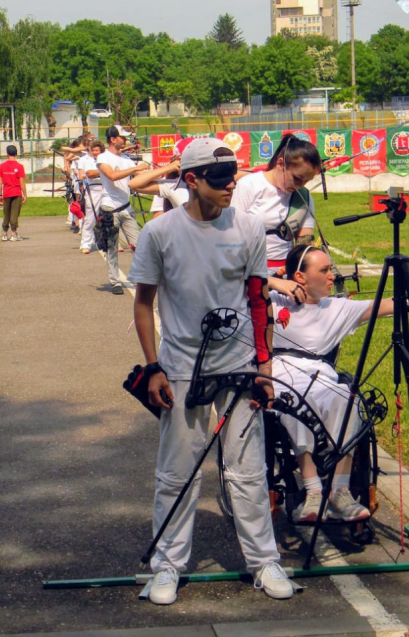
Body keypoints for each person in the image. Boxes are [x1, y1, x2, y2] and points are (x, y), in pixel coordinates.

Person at [129, 138, 295, 606]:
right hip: (181, 368)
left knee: (248, 472)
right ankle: (167, 565)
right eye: (218, 181)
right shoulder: (160, 233)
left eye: (232, 177)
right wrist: (154, 367)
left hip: (239, 368)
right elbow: (143, 304)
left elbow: (259, 300)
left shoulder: (248, 227)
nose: (230, 188)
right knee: (177, 473)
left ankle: (265, 561)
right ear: (191, 180)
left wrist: (263, 367)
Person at [271, 245, 409, 523]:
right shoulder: (273, 300)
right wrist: (273, 280)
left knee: (349, 397)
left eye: (331, 270)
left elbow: (395, 305)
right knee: (294, 401)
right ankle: (313, 490)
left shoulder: (337, 307)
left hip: (321, 375)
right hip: (281, 374)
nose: (332, 276)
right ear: (300, 277)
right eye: (325, 270)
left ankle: (339, 491)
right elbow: (235, 280)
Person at [230, 134, 321, 303]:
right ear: (280, 164)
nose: (299, 186)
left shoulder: (303, 197)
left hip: (286, 277)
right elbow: (233, 239)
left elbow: (304, 243)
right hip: (248, 274)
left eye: (306, 181)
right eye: (297, 178)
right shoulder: (249, 185)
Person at [96, 125, 149, 295]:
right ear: (113, 139)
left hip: (126, 208)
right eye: (122, 137)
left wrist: (158, 173)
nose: (125, 140)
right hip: (109, 208)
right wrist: (136, 168)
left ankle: (145, 278)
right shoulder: (103, 157)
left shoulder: (126, 159)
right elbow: (111, 176)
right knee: (111, 246)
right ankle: (115, 282)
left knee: (140, 244)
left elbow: (139, 179)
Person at [77, 140, 104, 254]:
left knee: (109, 217)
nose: (95, 152)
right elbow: (83, 175)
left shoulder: (105, 159)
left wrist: (96, 173)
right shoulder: (84, 160)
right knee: (91, 217)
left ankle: (111, 242)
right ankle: (85, 244)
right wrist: (101, 172)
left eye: (97, 150)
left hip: (105, 187)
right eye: (93, 150)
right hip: (92, 189)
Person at [0, 145, 26, 241]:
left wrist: (0, 194)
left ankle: (4, 233)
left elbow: (0, 181)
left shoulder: (2, 166)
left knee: (6, 213)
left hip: (7, 192)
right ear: (16, 154)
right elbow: (21, 181)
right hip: (16, 192)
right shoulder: (19, 166)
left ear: (7, 154)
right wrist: (25, 194)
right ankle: (13, 233)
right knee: (15, 213)